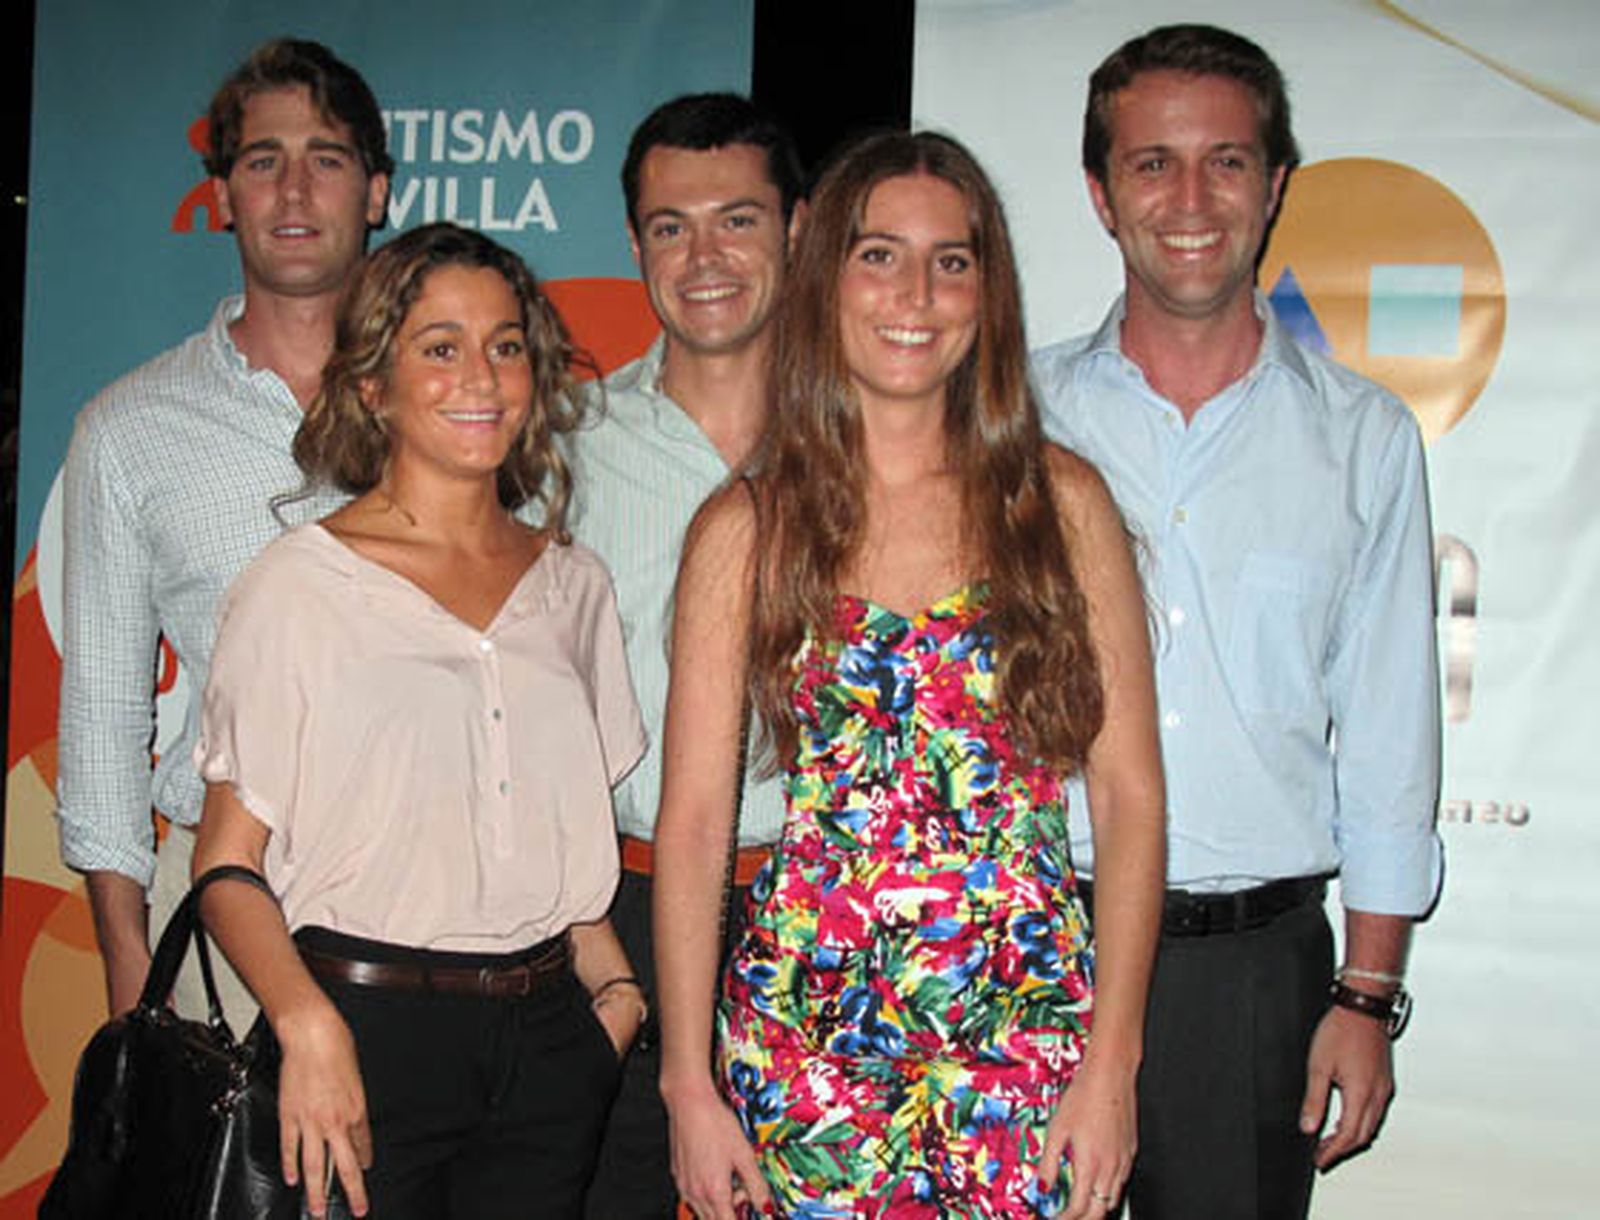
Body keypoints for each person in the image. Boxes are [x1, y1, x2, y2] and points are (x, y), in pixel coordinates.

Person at [655, 131, 1165, 1220]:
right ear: (825, 276)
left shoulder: (1061, 506)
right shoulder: (747, 528)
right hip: (806, 1048)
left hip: (1024, 1042)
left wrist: (1112, 1061)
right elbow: (694, 822)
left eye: (951, 261)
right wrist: (686, 1082)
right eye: (879, 255)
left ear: (988, 292)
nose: (915, 296)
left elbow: (1128, 797)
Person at [1031, 23, 1442, 1220]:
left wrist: (1365, 994)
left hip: (1248, 980)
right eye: (1151, 163)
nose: (1189, 198)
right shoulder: (1007, 417)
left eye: (1225, 160)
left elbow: (1389, 736)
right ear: (1100, 194)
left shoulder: (1361, 440)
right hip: (1025, 949)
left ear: (1274, 186)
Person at [189, 222, 647, 1219]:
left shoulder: (574, 584)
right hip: (361, 1033)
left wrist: (614, 1008)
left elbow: (570, 838)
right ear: (372, 384)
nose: (480, 377)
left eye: (505, 345)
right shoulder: (300, 585)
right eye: (440, 346)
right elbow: (225, 863)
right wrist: (306, 1024)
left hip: (550, 1045)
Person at [56, 38, 391, 1021]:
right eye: (262, 160)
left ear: (374, 190)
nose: (294, 189)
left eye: (326, 158)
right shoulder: (130, 429)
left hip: (438, 906)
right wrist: (131, 965)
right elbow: (103, 722)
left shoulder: (458, 401)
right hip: (220, 900)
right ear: (222, 195)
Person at [568, 92, 805, 1219]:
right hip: (613, 909)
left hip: (820, 911)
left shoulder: (873, 445)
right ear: (634, 243)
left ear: (795, 228)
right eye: (671, 227)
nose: (703, 258)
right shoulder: (561, 447)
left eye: (737, 221)